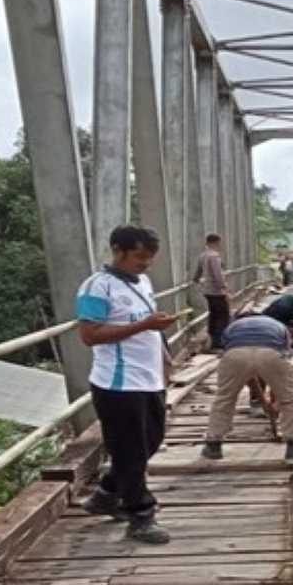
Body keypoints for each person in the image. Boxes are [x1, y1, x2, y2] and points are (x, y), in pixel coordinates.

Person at [76, 225, 176, 545]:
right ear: (117, 251)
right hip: (117, 383)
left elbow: (148, 326)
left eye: (149, 259)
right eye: (139, 257)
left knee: (151, 440)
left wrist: (164, 355)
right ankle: (141, 514)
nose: (145, 264)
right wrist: (145, 324)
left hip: (148, 378)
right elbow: (89, 336)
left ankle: (106, 493)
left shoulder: (142, 282)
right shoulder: (97, 287)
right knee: (131, 450)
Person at [200, 315, 293, 461]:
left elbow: (245, 369)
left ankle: (213, 444)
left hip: (235, 355)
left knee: (224, 398)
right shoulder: (278, 326)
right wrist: (274, 402)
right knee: (289, 399)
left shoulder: (233, 326)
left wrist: (264, 402)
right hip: (270, 353)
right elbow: (280, 374)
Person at [193, 233, 229, 350]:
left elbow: (197, 273)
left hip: (207, 291)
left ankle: (211, 342)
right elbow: (217, 274)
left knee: (213, 316)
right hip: (217, 291)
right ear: (217, 242)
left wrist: (197, 281)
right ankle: (218, 343)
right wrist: (224, 288)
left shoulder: (202, 256)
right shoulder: (214, 256)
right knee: (222, 317)